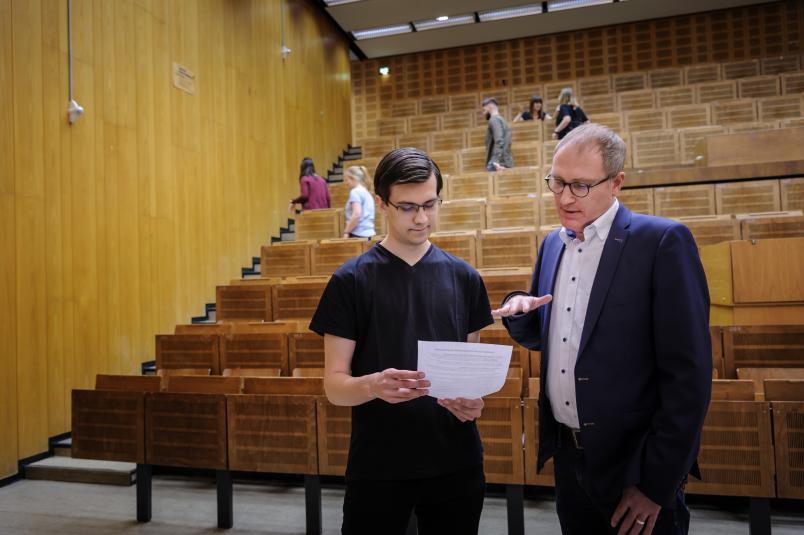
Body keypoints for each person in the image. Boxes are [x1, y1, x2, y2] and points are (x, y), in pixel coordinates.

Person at [492, 123, 711, 535]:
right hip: (569, 460)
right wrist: (521, 311)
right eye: (556, 183)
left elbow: (689, 377)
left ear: (617, 183)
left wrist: (656, 484)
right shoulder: (552, 245)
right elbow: (551, 338)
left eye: (579, 185)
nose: (563, 198)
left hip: (635, 466)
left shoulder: (662, 241)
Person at [310, 147, 493, 535]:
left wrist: (472, 402)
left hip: (455, 463)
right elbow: (334, 387)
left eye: (430, 204)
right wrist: (373, 384)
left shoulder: (465, 278)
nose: (422, 218)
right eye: (408, 207)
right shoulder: (351, 281)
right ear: (382, 204)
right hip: (379, 465)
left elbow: (469, 378)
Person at [341, 165, 376, 239]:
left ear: (353, 178)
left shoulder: (355, 192)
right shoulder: (366, 192)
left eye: (346, 180)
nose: (345, 183)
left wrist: (346, 232)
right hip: (370, 233)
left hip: (358, 234)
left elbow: (356, 214)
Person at [482, 97, 513, 171]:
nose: (483, 113)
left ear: (490, 107)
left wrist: (495, 161)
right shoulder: (503, 120)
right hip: (505, 160)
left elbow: (499, 141)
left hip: (498, 163)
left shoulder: (494, 120)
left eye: (484, 109)